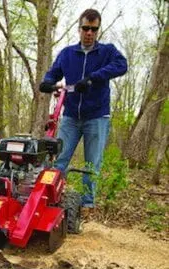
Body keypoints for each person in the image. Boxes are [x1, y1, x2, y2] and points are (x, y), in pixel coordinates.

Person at [39, 8, 127, 219]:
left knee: (91, 163)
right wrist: (47, 82)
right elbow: (53, 73)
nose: (89, 33)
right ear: (79, 28)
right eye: (86, 28)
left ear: (97, 30)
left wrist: (92, 78)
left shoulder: (107, 51)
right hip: (70, 115)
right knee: (59, 159)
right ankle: (50, 198)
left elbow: (122, 65)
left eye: (93, 29)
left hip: (97, 116)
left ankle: (87, 204)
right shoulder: (68, 53)